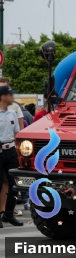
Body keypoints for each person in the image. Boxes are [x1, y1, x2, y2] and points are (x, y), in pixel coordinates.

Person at [0, 85, 24, 227]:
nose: (12, 98)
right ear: (3, 97)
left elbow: (17, 134)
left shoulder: (12, 113)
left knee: (15, 184)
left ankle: (8, 214)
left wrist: (19, 152)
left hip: (11, 151)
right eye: (10, 95)